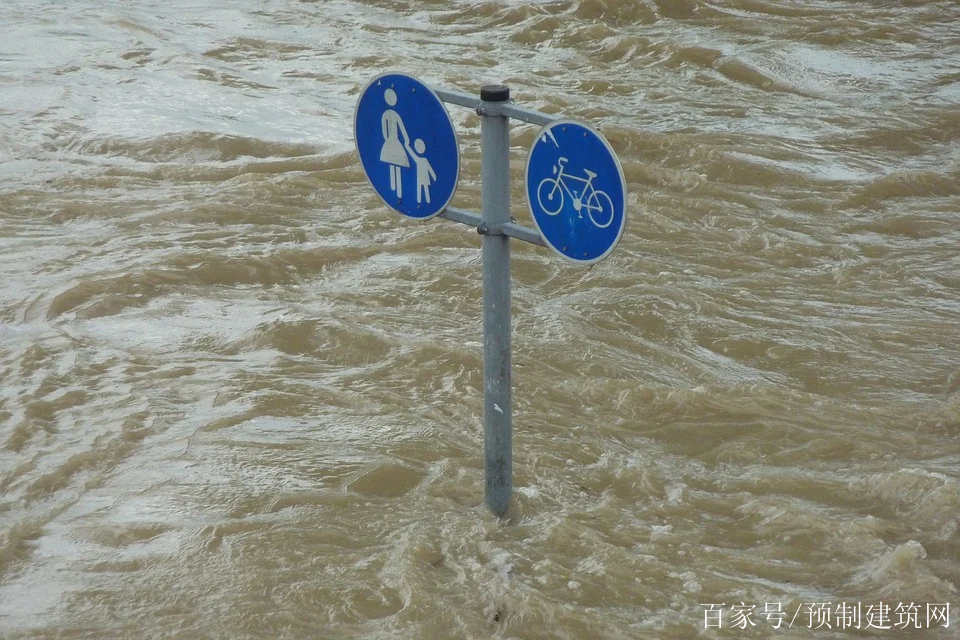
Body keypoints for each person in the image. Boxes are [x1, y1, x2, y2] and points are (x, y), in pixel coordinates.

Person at [379, 89, 410, 198]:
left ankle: (396, 191)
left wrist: (387, 139)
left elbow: (387, 129)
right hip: (394, 141)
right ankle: (397, 191)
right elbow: (401, 128)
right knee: (396, 163)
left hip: (390, 141)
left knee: (394, 163)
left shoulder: (387, 114)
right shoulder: (390, 114)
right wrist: (406, 140)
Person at [407, 138, 437, 205]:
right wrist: (407, 146)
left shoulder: (423, 160)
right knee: (420, 189)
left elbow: (429, 168)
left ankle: (426, 202)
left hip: (423, 177)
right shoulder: (420, 159)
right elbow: (412, 154)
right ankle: (421, 202)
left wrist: (433, 175)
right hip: (421, 177)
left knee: (424, 189)